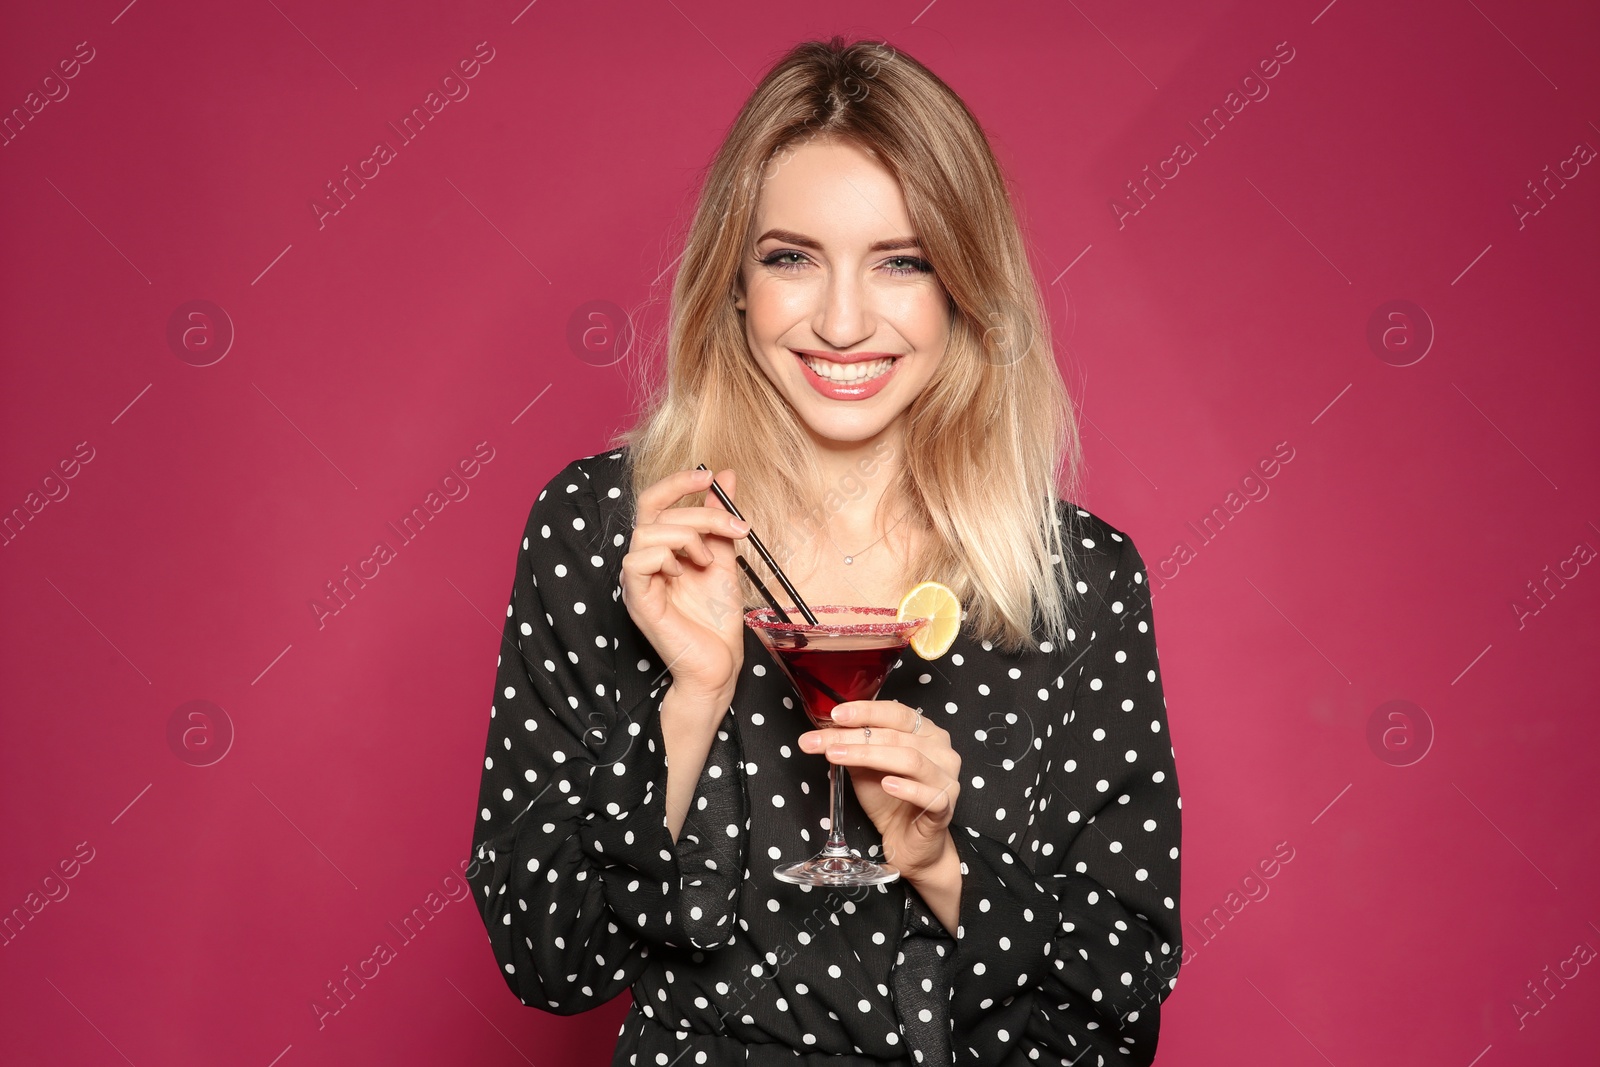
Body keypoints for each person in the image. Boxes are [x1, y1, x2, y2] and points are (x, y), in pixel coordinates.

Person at [469, 36, 1183, 1067]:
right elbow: (546, 958)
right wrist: (692, 695)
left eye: (902, 262)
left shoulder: (1072, 576)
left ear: (963, 291)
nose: (842, 322)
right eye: (791, 257)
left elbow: (1119, 1015)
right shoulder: (612, 530)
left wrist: (942, 862)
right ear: (735, 284)